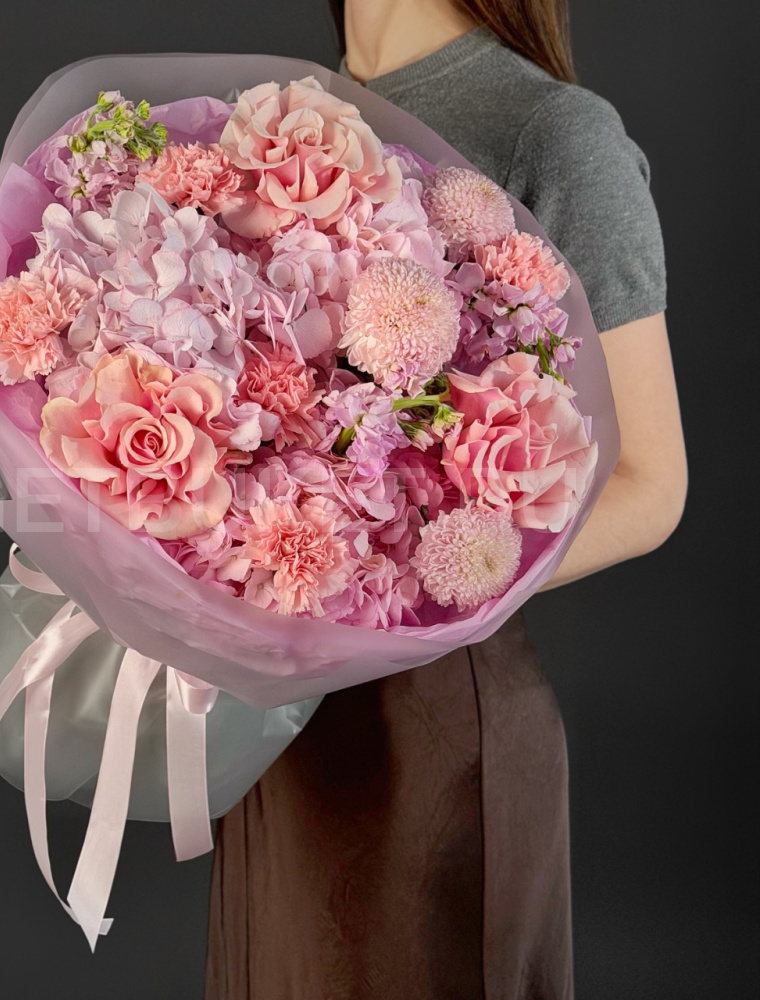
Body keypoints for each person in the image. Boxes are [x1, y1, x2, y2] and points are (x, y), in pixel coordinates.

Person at [204, 1, 688, 997]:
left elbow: (651, 484)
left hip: (429, 740)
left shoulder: (551, 132)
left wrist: (397, 590)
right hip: (272, 734)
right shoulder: (285, 122)